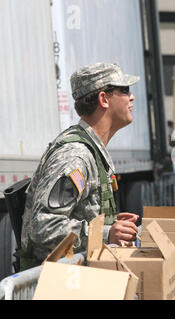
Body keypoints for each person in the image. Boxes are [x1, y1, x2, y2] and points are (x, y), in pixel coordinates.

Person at [20, 62, 140, 269]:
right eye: (125, 90)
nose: (132, 97)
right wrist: (106, 233)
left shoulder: (90, 150)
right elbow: (43, 226)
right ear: (104, 99)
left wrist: (110, 224)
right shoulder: (75, 156)